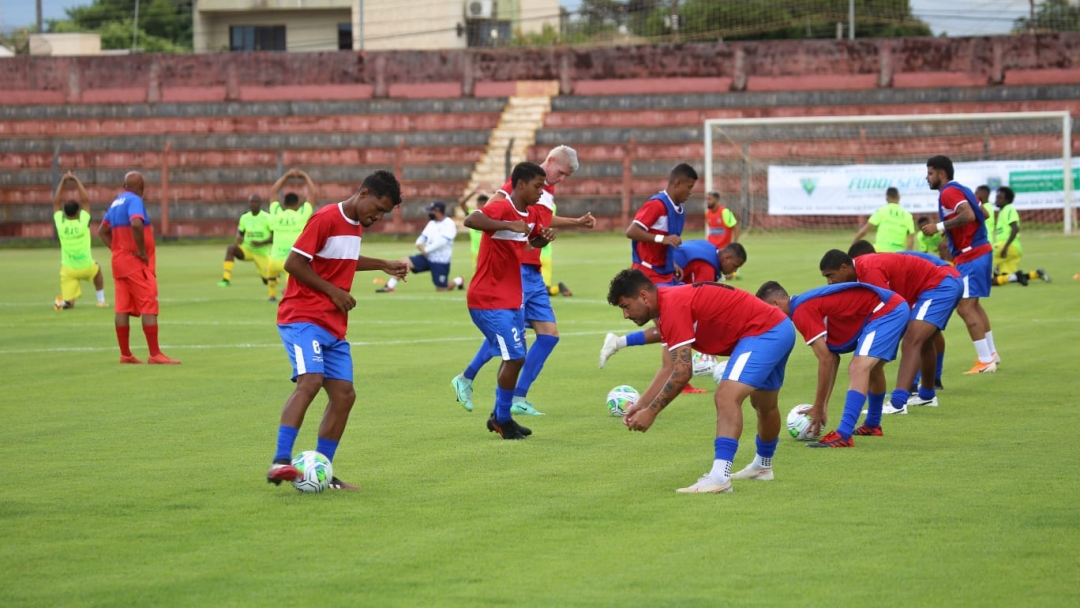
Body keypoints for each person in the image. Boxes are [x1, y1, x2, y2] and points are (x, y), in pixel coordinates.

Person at [266, 170, 408, 490]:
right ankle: (280, 461)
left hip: (333, 324)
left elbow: (344, 259)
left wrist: (383, 263)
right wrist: (334, 290)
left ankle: (323, 471)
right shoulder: (326, 217)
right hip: (302, 317)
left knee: (344, 396)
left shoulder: (356, 224)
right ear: (364, 193)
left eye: (384, 213)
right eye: (378, 208)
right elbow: (294, 263)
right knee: (311, 381)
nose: (379, 216)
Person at [607, 269, 795, 493]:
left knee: (726, 396)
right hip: (779, 328)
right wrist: (641, 405)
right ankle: (763, 467)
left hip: (763, 332)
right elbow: (669, 367)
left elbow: (683, 372)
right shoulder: (667, 305)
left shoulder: (673, 307)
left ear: (644, 297)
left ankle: (719, 478)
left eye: (626, 306)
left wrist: (652, 412)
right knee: (764, 404)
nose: (625, 315)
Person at [451, 147, 593, 416]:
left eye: (566, 176)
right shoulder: (520, 185)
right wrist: (509, 226)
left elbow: (540, 221)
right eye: (561, 172)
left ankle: (511, 396)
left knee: (547, 336)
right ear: (550, 161)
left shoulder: (542, 190)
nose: (561, 179)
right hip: (516, 270)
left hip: (533, 269)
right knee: (512, 340)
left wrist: (575, 222)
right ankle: (486, 391)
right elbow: (489, 213)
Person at [454, 161, 554, 439]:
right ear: (520, 184)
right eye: (537, 186)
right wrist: (507, 223)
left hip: (511, 298)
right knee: (515, 356)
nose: (541, 192)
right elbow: (471, 220)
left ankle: (500, 415)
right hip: (487, 298)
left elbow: (532, 243)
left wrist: (543, 240)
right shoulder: (502, 206)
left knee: (514, 356)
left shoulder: (532, 213)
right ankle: (501, 418)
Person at [756, 280, 908, 448]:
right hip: (891, 306)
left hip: (886, 310)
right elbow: (832, 357)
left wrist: (819, 406)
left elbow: (826, 360)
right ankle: (872, 424)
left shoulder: (800, 311)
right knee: (873, 369)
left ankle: (843, 435)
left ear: (776, 303)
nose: (769, 317)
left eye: (767, 311)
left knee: (858, 367)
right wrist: (823, 404)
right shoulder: (803, 305)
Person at [822, 247, 962, 421]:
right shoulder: (861, 270)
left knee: (911, 341)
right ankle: (927, 395)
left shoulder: (869, 271)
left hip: (938, 286)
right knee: (924, 343)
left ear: (844, 267)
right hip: (940, 285)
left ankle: (898, 403)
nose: (829, 282)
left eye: (830, 275)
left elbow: (887, 309)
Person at [598, 243, 747, 370]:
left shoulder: (709, 247)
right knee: (673, 331)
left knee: (668, 330)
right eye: (734, 266)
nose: (733, 271)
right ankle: (679, 379)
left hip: (655, 279)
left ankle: (617, 342)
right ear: (727, 257)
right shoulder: (707, 268)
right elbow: (699, 301)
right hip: (655, 284)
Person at [921, 155, 998, 374]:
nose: (927, 178)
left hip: (971, 255)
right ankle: (991, 354)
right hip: (980, 250)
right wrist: (953, 228)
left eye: (930, 173)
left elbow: (969, 214)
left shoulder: (948, 192)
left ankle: (985, 360)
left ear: (941, 174)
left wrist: (940, 225)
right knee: (973, 306)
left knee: (964, 307)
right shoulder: (962, 188)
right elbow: (982, 212)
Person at [98, 171, 181, 365]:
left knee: (122, 307)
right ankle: (154, 354)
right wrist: (141, 251)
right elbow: (136, 223)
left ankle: (125, 354)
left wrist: (117, 249)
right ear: (141, 188)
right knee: (149, 305)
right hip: (135, 264)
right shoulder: (135, 201)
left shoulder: (116, 202)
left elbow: (102, 231)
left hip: (119, 263)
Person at [377, 201, 464, 293]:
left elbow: (443, 242)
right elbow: (422, 238)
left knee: (442, 289)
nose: (429, 213)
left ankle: (459, 280)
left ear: (437, 211)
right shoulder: (432, 223)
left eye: (431, 211)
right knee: (403, 263)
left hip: (440, 260)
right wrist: (418, 244)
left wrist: (425, 250)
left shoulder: (449, 224)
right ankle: (389, 286)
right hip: (427, 257)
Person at [51, 171, 107, 310]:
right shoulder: (82, 223)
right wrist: (76, 180)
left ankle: (62, 302)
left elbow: (56, 202)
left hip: (68, 269)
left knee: (70, 303)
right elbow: (86, 200)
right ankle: (101, 300)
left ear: (64, 212)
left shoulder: (61, 224)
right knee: (98, 270)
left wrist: (63, 181)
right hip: (86, 266)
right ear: (78, 212)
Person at [218, 194, 275, 300]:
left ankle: (271, 275)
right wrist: (238, 239)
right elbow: (240, 233)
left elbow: (274, 236)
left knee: (267, 281)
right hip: (247, 250)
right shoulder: (245, 218)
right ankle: (226, 279)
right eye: (251, 202)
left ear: (260, 204)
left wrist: (261, 242)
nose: (253, 204)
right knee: (231, 248)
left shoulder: (267, 217)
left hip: (262, 252)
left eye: (255, 202)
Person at [991, 186, 1050, 286]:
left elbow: (1015, 229)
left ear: (1007, 200)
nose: (997, 200)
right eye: (996, 197)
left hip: (1007, 246)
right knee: (1002, 278)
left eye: (1000, 198)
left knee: (983, 255)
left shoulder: (1009, 209)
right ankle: (1035, 274)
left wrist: (1005, 247)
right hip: (1012, 250)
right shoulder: (1002, 211)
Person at [266, 192, 315, 290]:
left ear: (284, 203)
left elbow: (273, 193)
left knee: (270, 268)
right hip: (291, 262)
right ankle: (287, 290)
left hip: (274, 261)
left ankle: (271, 294)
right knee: (295, 285)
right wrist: (304, 176)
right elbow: (313, 195)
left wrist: (287, 176)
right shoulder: (301, 215)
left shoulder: (277, 214)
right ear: (297, 204)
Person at [852, 187, 915, 252]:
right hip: (898, 253)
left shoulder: (882, 211)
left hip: (880, 251)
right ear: (899, 197)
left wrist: (853, 244)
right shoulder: (908, 215)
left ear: (886, 199)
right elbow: (911, 240)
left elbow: (864, 231)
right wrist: (907, 255)